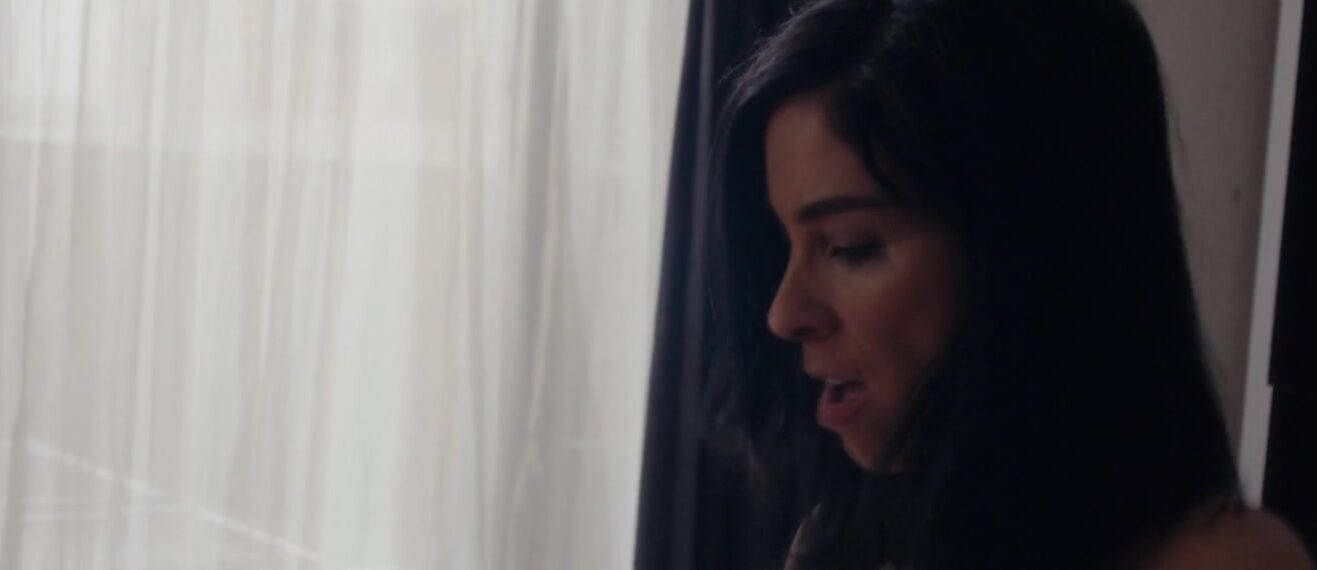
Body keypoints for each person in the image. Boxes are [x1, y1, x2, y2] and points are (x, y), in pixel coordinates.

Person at [703, 0, 1315, 567]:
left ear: (1033, 251)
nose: (783, 313)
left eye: (850, 246)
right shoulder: (840, 541)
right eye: (784, 244)